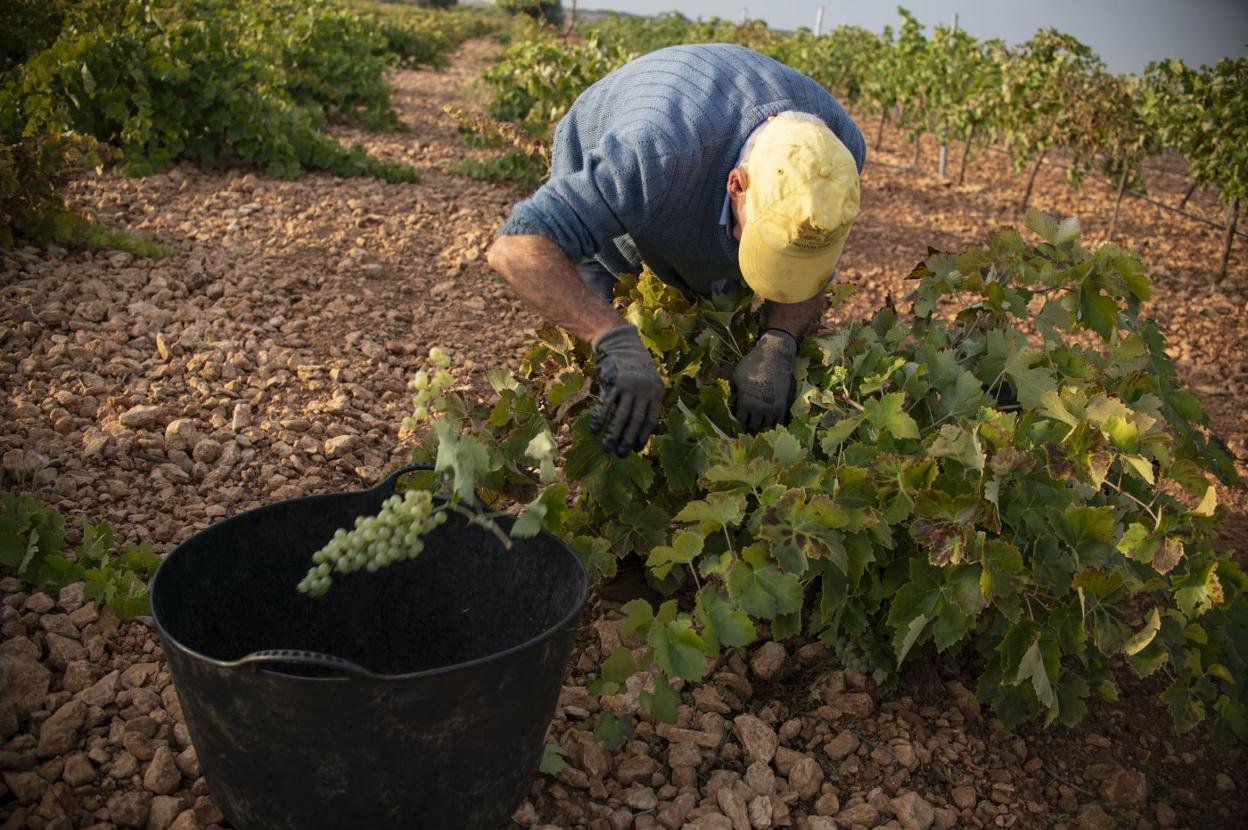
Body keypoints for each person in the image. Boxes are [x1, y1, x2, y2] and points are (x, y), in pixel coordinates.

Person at [487, 43, 865, 456]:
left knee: (710, 305)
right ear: (736, 184)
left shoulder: (838, 156)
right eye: (763, 237)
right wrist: (611, 337)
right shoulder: (650, 156)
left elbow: (811, 254)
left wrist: (779, 340)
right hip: (638, 147)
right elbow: (515, 248)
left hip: (701, 159)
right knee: (607, 348)